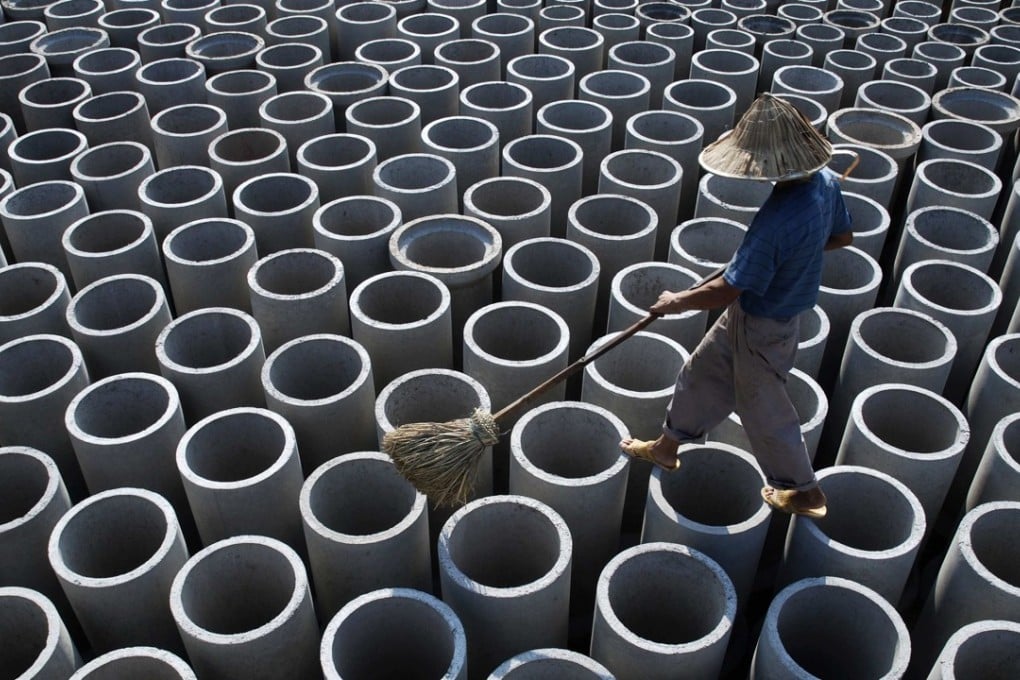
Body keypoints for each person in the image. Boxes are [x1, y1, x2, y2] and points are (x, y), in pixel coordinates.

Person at [620, 93, 853, 518]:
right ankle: (667, 447)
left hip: (766, 325)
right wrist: (796, 255)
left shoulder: (778, 220)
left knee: (763, 409)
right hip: (752, 315)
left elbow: (727, 288)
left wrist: (676, 302)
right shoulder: (825, 183)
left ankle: (805, 491)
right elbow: (841, 237)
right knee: (701, 371)